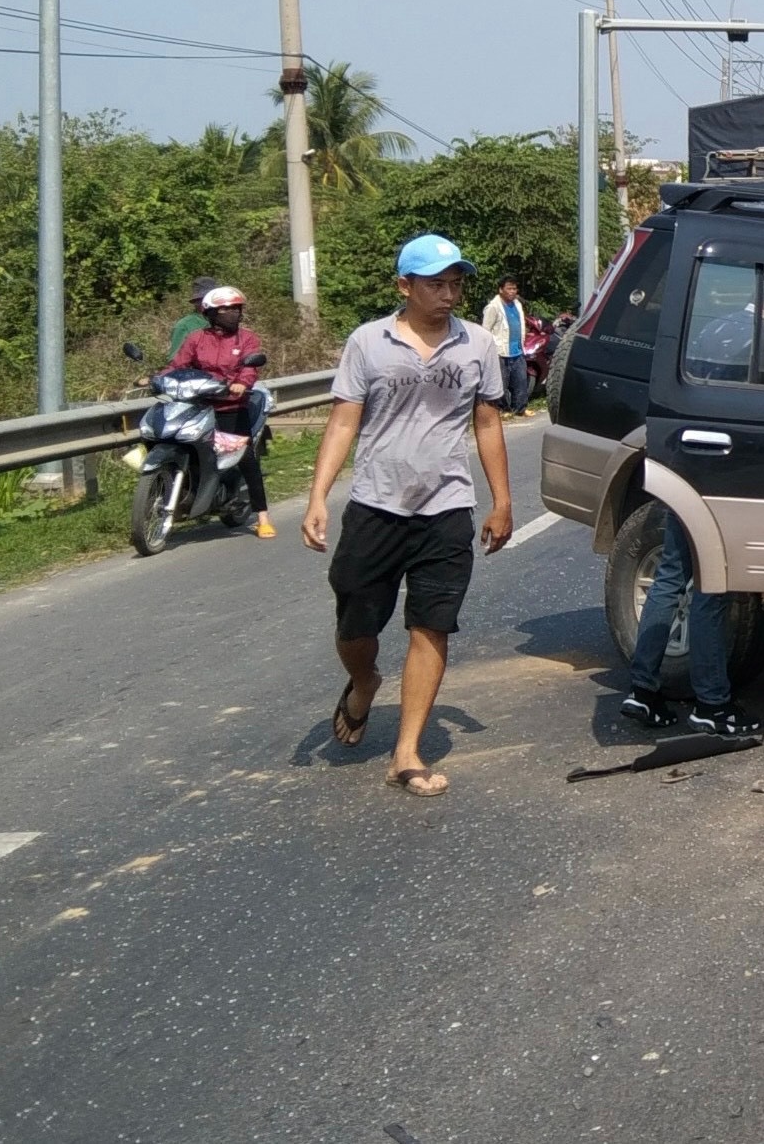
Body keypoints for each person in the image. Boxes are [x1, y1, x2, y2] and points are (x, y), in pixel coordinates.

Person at [301, 233, 514, 799]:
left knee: (432, 624)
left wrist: (502, 500)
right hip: (376, 505)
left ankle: (406, 752)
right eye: (436, 284)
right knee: (355, 622)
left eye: (455, 284)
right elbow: (344, 421)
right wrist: (320, 496)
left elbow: (487, 422)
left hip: (446, 507)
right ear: (405, 286)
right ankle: (365, 679)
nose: (448, 295)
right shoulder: (368, 342)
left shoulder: (475, 346)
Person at [619, 506, 760, 737]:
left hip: (682, 485)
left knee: (669, 578)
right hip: (717, 490)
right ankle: (711, 705)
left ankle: (642, 692)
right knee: (711, 589)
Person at [170, 284, 272, 538]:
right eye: (225, 309)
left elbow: (251, 366)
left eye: (236, 309)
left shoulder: (246, 338)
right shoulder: (196, 339)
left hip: (232, 406)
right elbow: (178, 365)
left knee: (246, 458)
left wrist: (241, 383)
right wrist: (157, 378)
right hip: (200, 404)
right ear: (211, 314)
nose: (232, 314)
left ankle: (262, 516)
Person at [481, 276, 532, 416]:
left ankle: (520, 408)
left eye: (514, 288)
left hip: (517, 350)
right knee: (501, 383)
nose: (512, 291)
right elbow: (485, 331)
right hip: (500, 352)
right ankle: (504, 410)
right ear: (501, 290)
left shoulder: (517, 304)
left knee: (520, 381)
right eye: (509, 288)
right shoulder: (493, 307)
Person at [167, 277, 220, 356]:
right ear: (197, 302)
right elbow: (176, 359)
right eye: (203, 300)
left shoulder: (224, 321)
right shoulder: (184, 326)